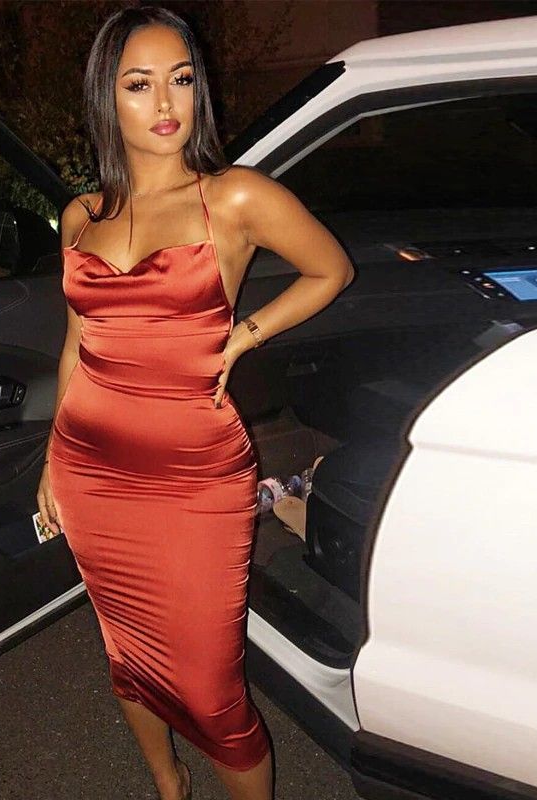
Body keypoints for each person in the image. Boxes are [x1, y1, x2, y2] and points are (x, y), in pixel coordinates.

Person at [37, 7, 354, 800]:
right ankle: (168, 785)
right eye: (138, 84)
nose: (165, 102)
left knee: (214, 692)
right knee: (127, 651)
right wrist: (51, 461)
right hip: (89, 468)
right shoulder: (80, 215)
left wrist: (245, 334)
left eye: (180, 78)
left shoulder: (234, 197)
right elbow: (78, 344)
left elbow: (331, 269)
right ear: (106, 98)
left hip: (195, 476)